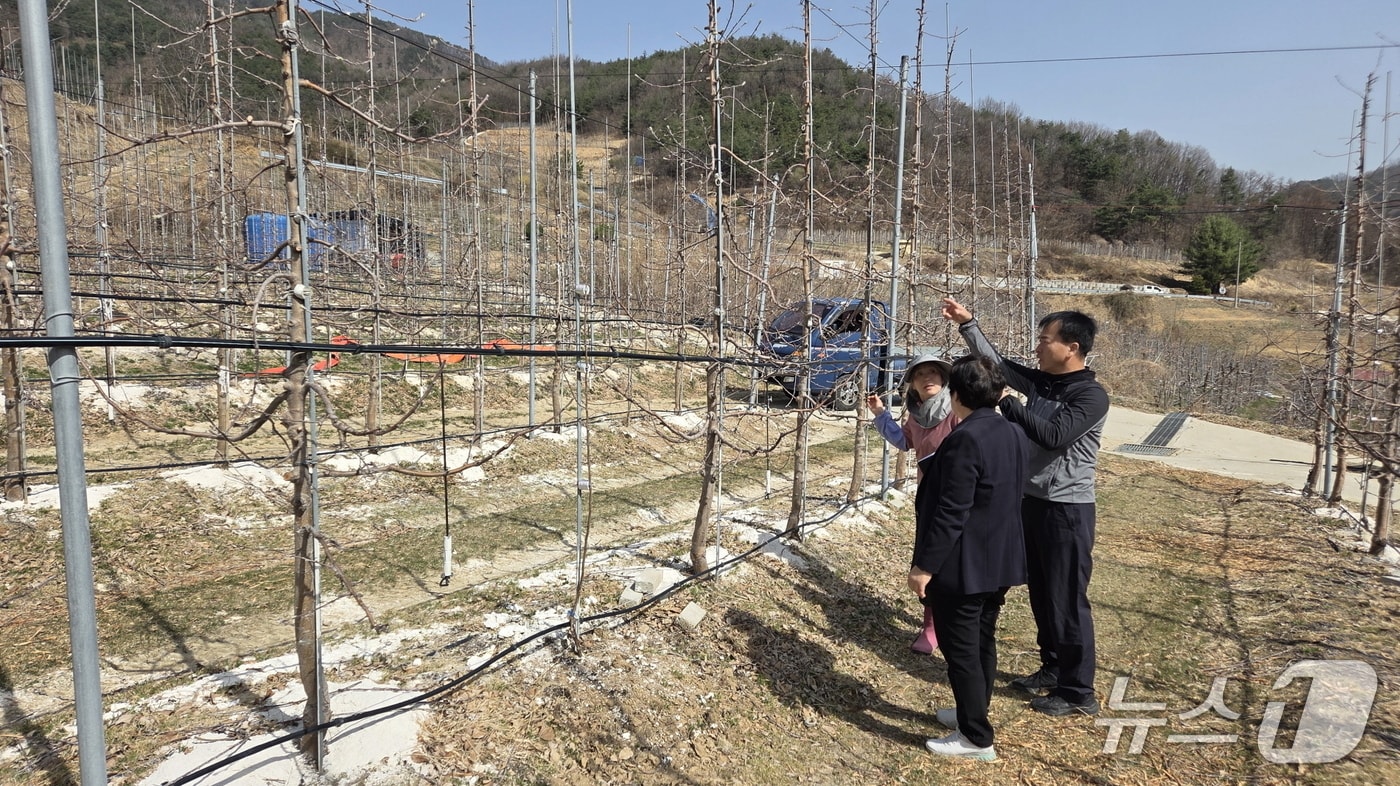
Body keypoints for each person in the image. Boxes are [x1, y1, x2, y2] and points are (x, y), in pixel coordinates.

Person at [941, 296, 1109, 717]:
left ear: (1071, 347)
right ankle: (1052, 667)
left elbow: (1055, 435)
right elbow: (998, 365)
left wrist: (1011, 407)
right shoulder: (1045, 383)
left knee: (1067, 598)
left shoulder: (1090, 396)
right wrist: (968, 323)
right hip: (1032, 502)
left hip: (1066, 509)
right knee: (1042, 593)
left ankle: (1078, 692)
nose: (1037, 346)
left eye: (1045, 339)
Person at [908, 355, 1029, 761]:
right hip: (998, 559)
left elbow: (951, 511)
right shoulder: (1009, 430)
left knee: (962, 651)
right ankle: (970, 714)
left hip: (966, 564)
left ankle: (976, 738)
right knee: (981, 641)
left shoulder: (965, 439)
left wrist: (924, 566)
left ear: (954, 394)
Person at [865, 354, 955, 655]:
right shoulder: (916, 415)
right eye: (920, 375)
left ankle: (957, 620)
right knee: (927, 558)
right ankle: (930, 626)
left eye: (933, 373)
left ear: (944, 379)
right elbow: (905, 442)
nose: (927, 378)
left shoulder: (958, 409)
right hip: (929, 498)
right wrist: (880, 414)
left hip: (960, 498)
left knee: (957, 559)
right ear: (913, 385)